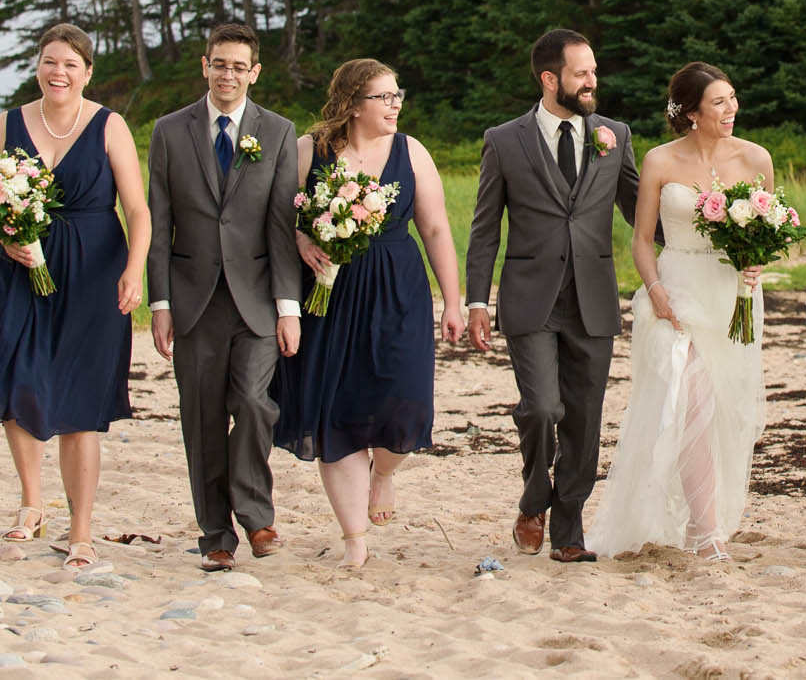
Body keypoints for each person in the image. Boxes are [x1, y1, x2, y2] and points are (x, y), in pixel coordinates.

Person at [272, 59, 466, 568]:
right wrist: (301, 235)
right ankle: (354, 540)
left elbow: (437, 230)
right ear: (353, 104)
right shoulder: (307, 152)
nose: (396, 104)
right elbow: (275, 218)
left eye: (398, 94)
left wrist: (452, 299)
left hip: (398, 291)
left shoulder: (411, 152)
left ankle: (384, 473)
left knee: (407, 405)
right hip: (327, 298)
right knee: (333, 412)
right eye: (384, 97)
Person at [0, 24, 150, 570]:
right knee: (16, 379)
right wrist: (10, 240)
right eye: (51, 61)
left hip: (95, 274)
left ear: (87, 72)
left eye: (71, 65)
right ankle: (32, 502)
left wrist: (135, 270)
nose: (59, 72)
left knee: (80, 405)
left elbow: (139, 211)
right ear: (38, 66)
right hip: (19, 273)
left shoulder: (109, 125)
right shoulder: (7, 125)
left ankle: (81, 529)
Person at [465, 29, 640, 563]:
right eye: (581, 73)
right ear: (550, 79)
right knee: (541, 408)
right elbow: (484, 228)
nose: (592, 82)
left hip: (593, 298)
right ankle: (534, 496)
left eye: (593, 71)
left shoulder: (615, 134)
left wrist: (711, 234)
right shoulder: (505, 139)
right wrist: (477, 301)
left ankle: (569, 532)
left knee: (585, 420)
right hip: (530, 299)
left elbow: (641, 212)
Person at [590, 63, 775, 562]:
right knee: (692, 400)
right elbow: (643, 239)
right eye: (719, 102)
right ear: (692, 113)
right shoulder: (659, 161)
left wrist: (754, 262)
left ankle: (707, 518)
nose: (731, 108)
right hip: (674, 294)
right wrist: (654, 290)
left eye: (733, 97)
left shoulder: (757, 159)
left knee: (724, 410)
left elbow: (765, 232)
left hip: (732, 297)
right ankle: (704, 528)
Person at [146, 23, 303, 572]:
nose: (228, 74)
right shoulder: (169, 132)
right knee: (202, 418)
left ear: (254, 72)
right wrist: (159, 304)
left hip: (257, 300)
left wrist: (289, 308)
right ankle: (216, 532)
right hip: (192, 301)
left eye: (239, 66)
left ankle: (257, 516)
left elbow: (283, 226)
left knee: (256, 405)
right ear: (204, 65)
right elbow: (158, 222)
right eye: (219, 63)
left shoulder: (279, 132)